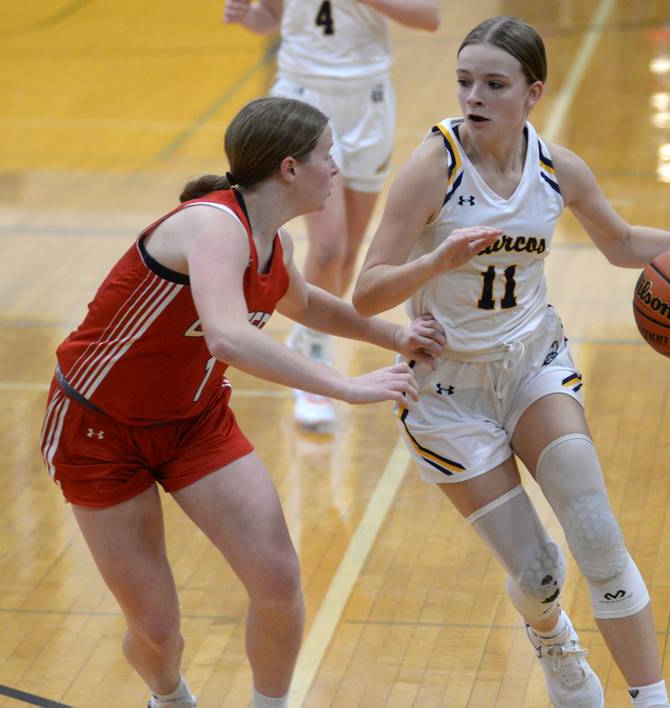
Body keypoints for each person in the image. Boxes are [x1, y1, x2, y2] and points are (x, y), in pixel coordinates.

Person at [352, 16, 670, 708]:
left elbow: (621, 241)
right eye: (465, 81)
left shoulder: (556, 168)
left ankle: (652, 699)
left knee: (596, 533)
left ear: (532, 92)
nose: (474, 96)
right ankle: (552, 638)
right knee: (539, 572)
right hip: (448, 391)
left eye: (494, 84)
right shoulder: (434, 166)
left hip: (533, 360)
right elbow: (366, 291)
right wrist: (436, 260)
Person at [39, 96, 445, 708]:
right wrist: (344, 385)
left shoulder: (271, 242)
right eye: (326, 156)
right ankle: (170, 699)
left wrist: (392, 335)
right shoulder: (212, 225)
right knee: (156, 630)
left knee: (278, 578)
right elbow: (229, 334)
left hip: (194, 423)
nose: (335, 168)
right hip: (98, 430)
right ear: (289, 168)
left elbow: (307, 306)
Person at [223, 0, 440, 431]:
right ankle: (313, 363)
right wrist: (251, 18)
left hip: (369, 98)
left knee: (348, 253)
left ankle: (309, 336)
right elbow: (276, 16)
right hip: (302, 95)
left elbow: (428, 17)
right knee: (328, 245)